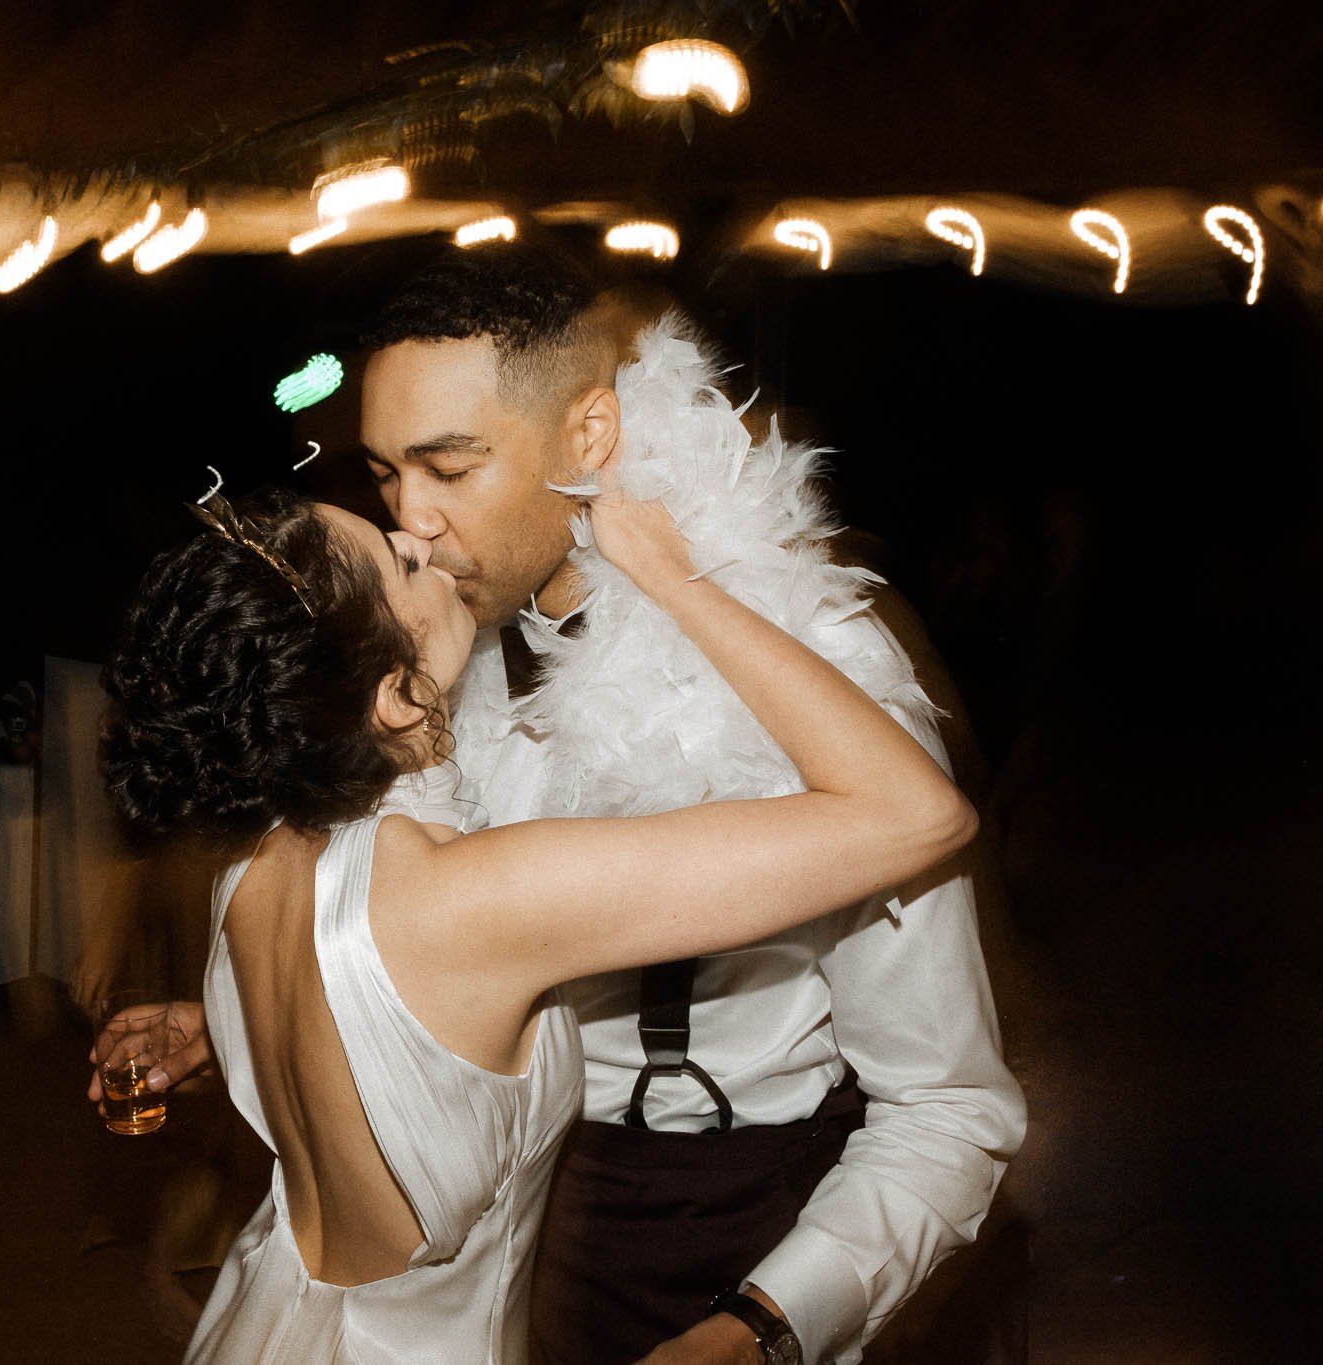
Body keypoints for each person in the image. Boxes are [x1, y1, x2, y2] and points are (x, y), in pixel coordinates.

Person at [94, 466, 975, 1362]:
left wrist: (219, 1026)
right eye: (396, 565)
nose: (414, 533)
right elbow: (920, 814)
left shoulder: (254, 862)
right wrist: (675, 578)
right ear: (396, 696)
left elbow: (375, 1026)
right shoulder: (471, 898)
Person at [354, 244, 1027, 1365]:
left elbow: (947, 1108)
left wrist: (765, 1326)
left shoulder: (819, 682)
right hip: (507, 1229)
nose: (407, 525)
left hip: (752, 1230)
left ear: (590, 436)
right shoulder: (436, 655)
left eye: (448, 469)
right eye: (382, 474)